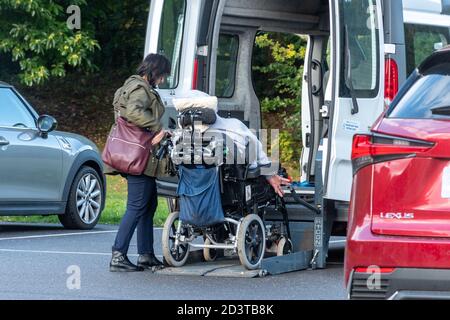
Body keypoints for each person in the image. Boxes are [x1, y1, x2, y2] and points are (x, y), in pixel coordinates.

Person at [106, 53, 171, 272]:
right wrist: (157, 128)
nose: (162, 81)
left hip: (139, 154)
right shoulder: (139, 89)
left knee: (148, 205)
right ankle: (118, 255)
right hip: (138, 155)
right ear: (153, 72)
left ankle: (145, 255)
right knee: (136, 206)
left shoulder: (135, 86)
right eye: (161, 76)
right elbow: (133, 112)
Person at [172, 96, 290, 197]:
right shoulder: (234, 126)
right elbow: (257, 152)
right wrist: (270, 174)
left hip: (194, 190)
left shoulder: (180, 138)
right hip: (231, 189)